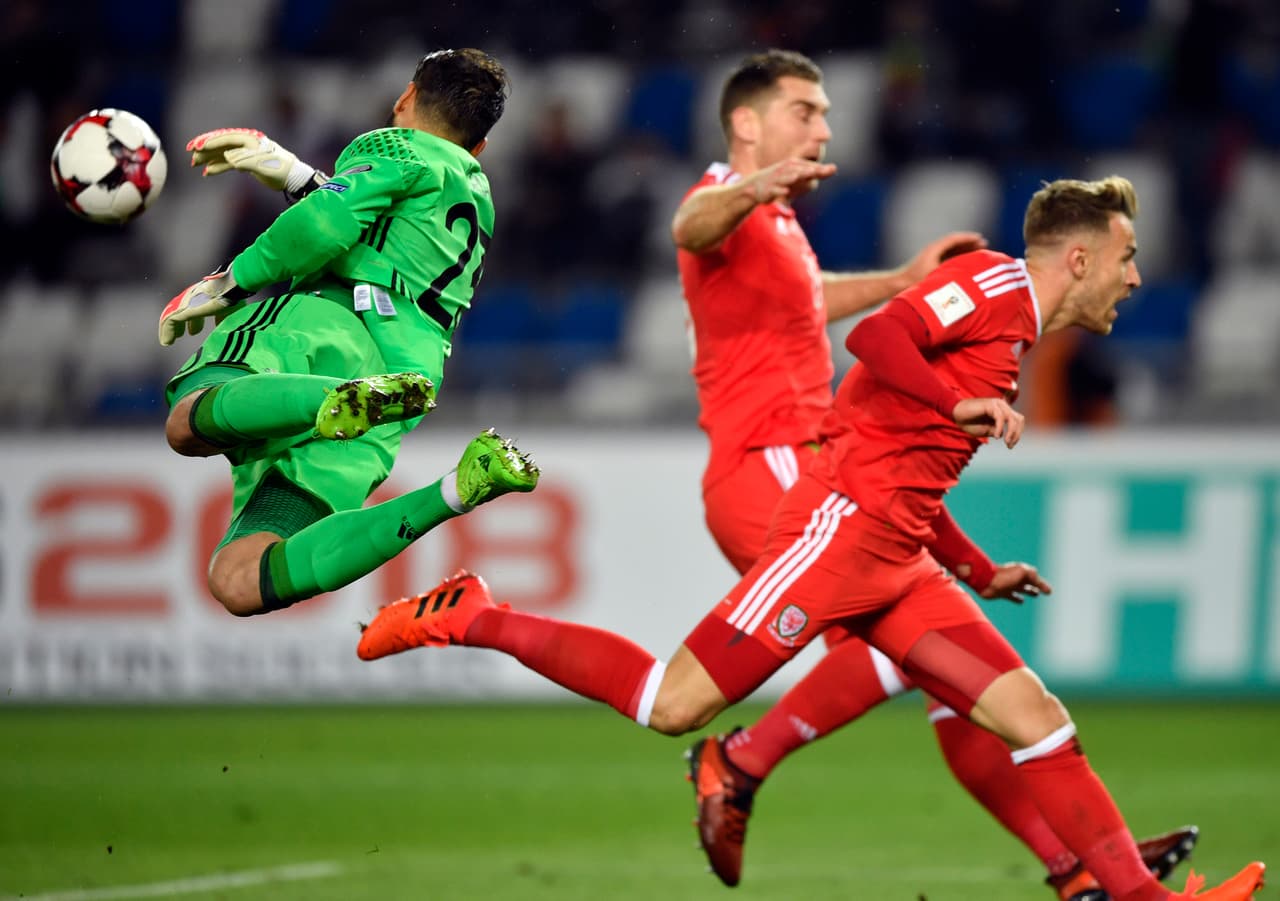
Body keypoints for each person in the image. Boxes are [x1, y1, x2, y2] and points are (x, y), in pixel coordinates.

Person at [357, 173, 1266, 900]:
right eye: (1126, 257)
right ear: (1077, 257)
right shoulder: (991, 282)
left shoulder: (1014, 328)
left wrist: (978, 569)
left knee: (1037, 722)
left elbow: (907, 466)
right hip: (834, 540)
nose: (1135, 276)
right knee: (673, 704)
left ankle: (1138, 896)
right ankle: (469, 614)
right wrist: (960, 399)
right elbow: (876, 335)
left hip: (898, 561)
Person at [669, 49, 1195, 899]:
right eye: (806, 110)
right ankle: (739, 758)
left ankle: (1074, 865)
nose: (824, 127)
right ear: (747, 122)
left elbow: (814, 306)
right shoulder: (728, 199)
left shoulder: (780, 232)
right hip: (777, 459)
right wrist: (750, 189)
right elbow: (688, 227)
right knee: (903, 652)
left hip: (816, 455)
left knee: (954, 683)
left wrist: (903, 281)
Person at [157, 48, 538, 618]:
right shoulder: (475, 194)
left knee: (187, 421)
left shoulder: (392, 143)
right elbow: (380, 235)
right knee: (239, 579)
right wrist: (294, 174)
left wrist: (231, 282)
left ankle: (328, 400)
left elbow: (327, 227)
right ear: (478, 146)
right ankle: (456, 489)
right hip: (399, 382)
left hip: (324, 325)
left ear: (405, 98)